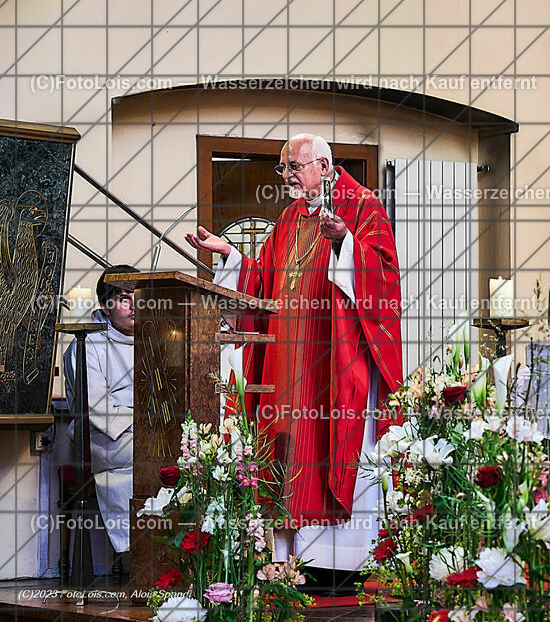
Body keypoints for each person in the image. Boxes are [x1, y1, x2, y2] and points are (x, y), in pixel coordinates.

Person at [185, 134, 402, 593]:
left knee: (333, 450)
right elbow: (263, 280)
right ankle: (291, 565)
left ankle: (343, 565)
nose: (286, 177)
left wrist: (345, 243)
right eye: (282, 169)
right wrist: (230, 257)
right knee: (288, 456)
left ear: (323, 165)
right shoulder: (286, 219)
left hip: (337, 361)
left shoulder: (362, 207)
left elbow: (385, 279)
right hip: (289, 365)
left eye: (294, 167)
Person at [62, 264, 138, 560]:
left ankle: (174, 552)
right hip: (104, 437)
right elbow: (96, 406)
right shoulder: (86, 344)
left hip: (143, 430)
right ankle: (146, 552)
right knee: (163, 454)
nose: (134, 305)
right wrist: (142, 423)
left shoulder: (155, 338)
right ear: (106, 307)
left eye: (138, 297)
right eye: (123, 298)